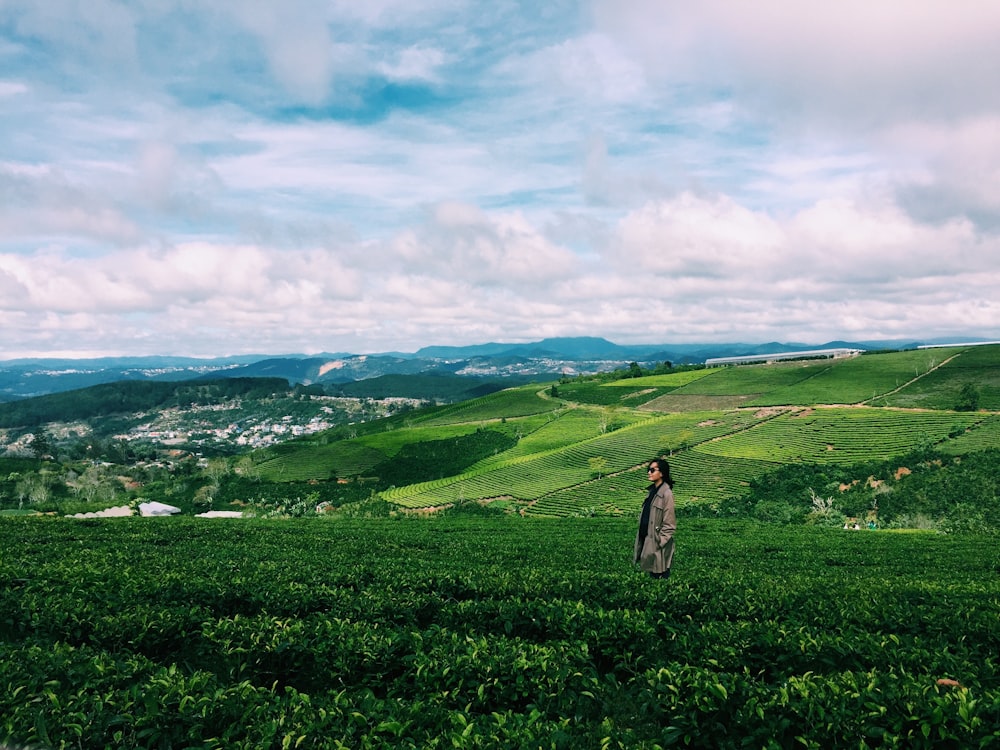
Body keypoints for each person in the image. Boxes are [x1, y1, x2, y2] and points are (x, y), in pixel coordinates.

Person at [634, 457, 676, 579]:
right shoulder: (652, 492)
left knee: (660, 577)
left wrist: (659, 542)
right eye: (648, 470)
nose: (649, 472)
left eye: (652, 470)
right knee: (651, 579)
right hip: (648, 542)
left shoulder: (666, 494)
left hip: (657, 546)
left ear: (661, 473)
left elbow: (669, 524)